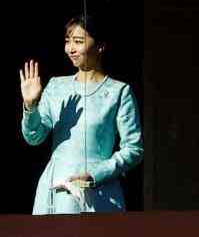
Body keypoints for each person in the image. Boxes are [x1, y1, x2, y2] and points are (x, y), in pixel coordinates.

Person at [20, 15, 143, 215]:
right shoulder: (56, 86)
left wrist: (95, 174)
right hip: (57, 188)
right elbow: (33, 137)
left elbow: (133, 149)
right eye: (68, 42)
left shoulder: (119, 91)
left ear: (100, 47)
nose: (71, 49)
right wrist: (30, 106)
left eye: (78, 42)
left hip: (100, 192)